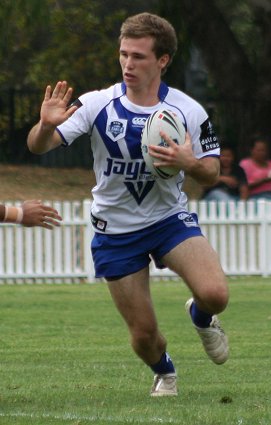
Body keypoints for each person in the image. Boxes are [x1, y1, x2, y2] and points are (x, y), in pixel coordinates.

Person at [27, 12, 229, 396]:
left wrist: (189, 164)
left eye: (138, 56)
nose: (127, 64)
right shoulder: (97, 104)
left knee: (215, 294)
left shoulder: (188, 111)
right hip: (115, 231)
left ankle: (202, 317)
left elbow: (212, 172)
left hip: (168, 219)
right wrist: (47, 125)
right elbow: (38, 147)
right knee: (144, 337)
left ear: (162, 60)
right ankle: (165, 370)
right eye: (123, 54)